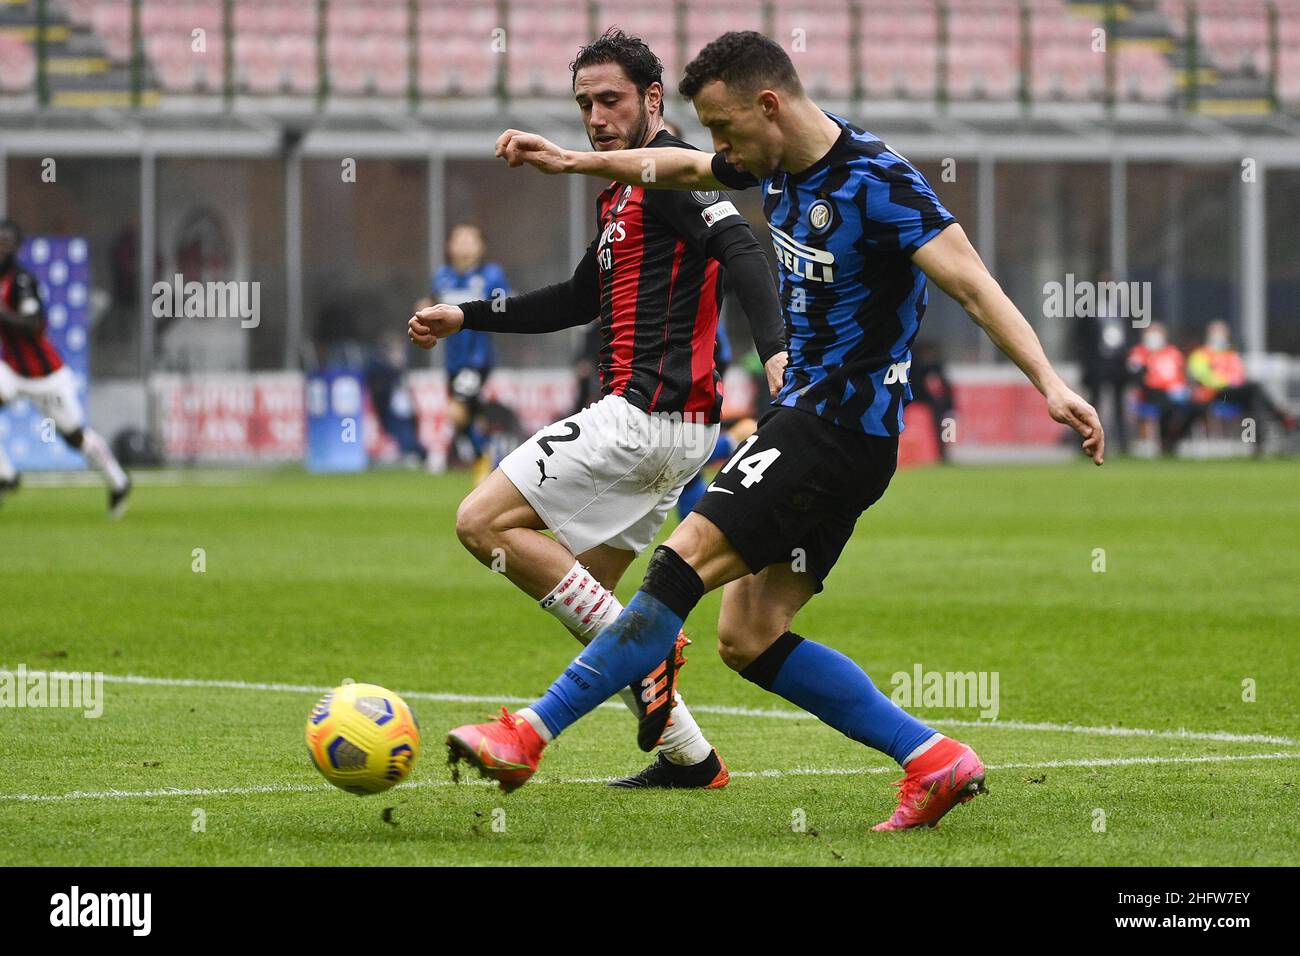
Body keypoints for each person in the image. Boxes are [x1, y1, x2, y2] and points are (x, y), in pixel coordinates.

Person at [449, 31, 1104, 831]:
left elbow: (972, 284)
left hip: (828, 427)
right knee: (750, 636)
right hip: (849, 441)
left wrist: (1049, 381)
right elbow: (680, 167)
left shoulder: (875, 180)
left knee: (674, 573)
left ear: (769, 104)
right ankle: (932, 758)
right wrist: (572, 162)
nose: (718, 150)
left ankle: (527, 733)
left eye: (724, 129)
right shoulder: (767, 161)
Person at [410, 29, 787, 789]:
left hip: (642, 417)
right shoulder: (619, 189)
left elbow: (744, 248)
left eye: (610, 99)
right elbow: (580, 298)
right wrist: (468, 315)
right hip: (676, 434)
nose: (595, 117)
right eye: (584, 103)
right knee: (590, 602)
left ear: (652, 99)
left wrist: (776, 354)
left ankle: (654, 654)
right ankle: (692, 759)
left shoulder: (673, 176)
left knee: (482, 523)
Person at [0, 219, 131, 516]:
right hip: (9, 370)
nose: (2, 247)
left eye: (7, 242)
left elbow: (33, 326)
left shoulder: (22, 282)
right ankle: (6, 476)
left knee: (74, 436)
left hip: (45, 376)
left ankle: (117, 480)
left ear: (16, 248)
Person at [431, 224, 507, 478]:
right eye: (458, 239)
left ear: (481, 246)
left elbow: (504, 307)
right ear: (449, 246)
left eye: (470, 239)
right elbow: (433, 304)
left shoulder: (491, 275)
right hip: (453, 361)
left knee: (456, 411)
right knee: (464, 418)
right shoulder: (442, 276)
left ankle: (485, 459)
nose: (464, 244)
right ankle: (487, 459)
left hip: (477, 358)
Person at [1187, 320, 1295, 451]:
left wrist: (1231, 380)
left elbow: (1240, 375)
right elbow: (1201, 376)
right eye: (1216, 332)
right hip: (1215, 394)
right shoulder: (1201, 354)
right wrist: (1225, 380)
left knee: (1256, 401)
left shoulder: (1231, 355)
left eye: (1222, 333)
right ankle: (1281, 418)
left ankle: (1258, 442)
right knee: (1255, 390)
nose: (1219, 336)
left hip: (1234, 392)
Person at [1073, 271, 1130, 454]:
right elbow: (1079, 337)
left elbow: (1129, 334)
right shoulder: (1088, 309)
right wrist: (1084, 364)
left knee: (1119, 405)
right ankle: (1088, 443)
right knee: (1091, 406)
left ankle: (1123, 446)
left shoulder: (1123, 309)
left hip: (1118, 364)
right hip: (1096, 364)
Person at [1127, 322, 1193, 456]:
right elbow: (1136, 375)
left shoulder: (1173, 353)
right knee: (1167, 406)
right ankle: (1165, 442)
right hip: (1150, 393)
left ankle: (1173, 439)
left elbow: (1182, 375)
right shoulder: (1139, 352)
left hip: (1174, 393)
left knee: (1193, 407)